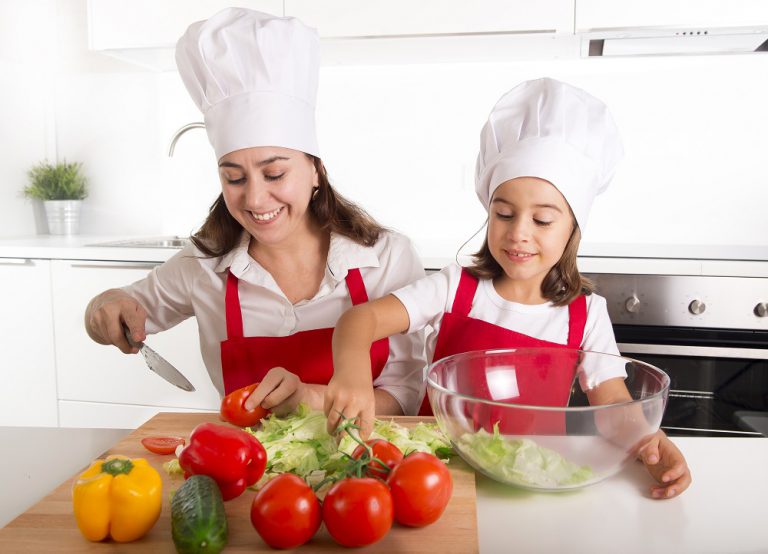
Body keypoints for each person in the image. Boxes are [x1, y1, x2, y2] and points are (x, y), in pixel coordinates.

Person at [324, 77, 691, 499]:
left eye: (542, 220)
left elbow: (614, 406)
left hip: (527, 483)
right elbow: (361, 318)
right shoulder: (455, 288)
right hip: (431, 474)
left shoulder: (584, 314)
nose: (518, 233)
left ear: (574, 227)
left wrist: (650, 441)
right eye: (504, 213)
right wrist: (351, 371)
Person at [84, 7, 426, 418]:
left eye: (275, 173)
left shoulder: (386, 258)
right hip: (247, 468)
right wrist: (102, 306)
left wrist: (310, 400)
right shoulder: (204, 266)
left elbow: (406, 394)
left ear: (315, 170)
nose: (256, 199)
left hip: (360, 467)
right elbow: (123, 306)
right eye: (235, 178)